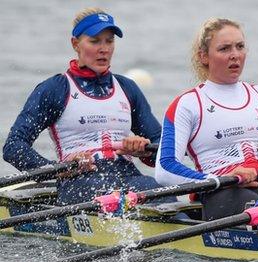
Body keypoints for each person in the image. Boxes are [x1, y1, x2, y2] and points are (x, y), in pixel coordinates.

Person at [155, 18, 258, 220]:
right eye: (224, 49)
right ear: (204, 56)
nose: (235, 55)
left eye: (240, 47)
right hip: (221, 191)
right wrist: (220, 179)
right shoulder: (187, 104)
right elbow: (165, 169)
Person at [3, 7, 166, 206]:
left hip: (128, 175)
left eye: (109, 41)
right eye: (95, 41)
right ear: (76, 44)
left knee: (162, 193)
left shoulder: (127, 88)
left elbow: (162, 146)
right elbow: (13, 146)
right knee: (117, 201)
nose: (104, 48)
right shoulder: (55, 89)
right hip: (79, 181)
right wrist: (57, 168)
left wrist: (144, 150)